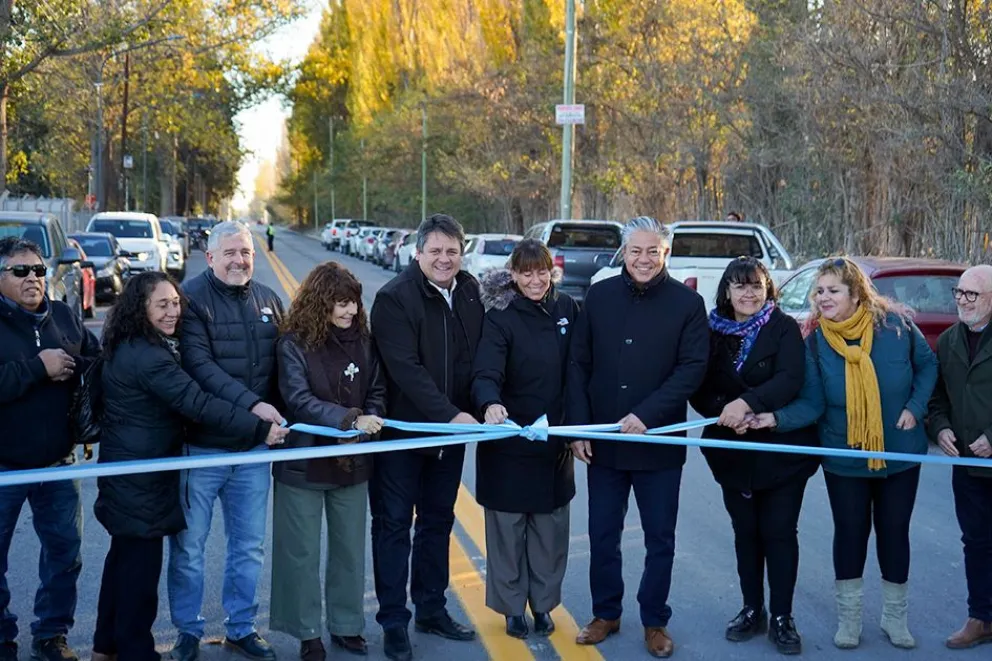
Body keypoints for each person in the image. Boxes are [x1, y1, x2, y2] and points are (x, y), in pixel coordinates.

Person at [93, 272, 288, 661]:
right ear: (140, 309)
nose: (172, 312)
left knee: (122, 561)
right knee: (138, 574)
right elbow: (195, 401)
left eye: (176, 303)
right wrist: (257, 427)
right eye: (161, 305)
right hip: (139, 476)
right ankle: (136, 651)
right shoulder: (147, 356)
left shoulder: (137, 343)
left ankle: (105, 647)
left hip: (131, 471)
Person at [751, 256, 937, 650]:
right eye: (819, 291)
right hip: (844, 456)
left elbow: (928, 367)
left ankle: (894, 618)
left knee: (893, 532)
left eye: (833, 290)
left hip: (899, 454)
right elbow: (813, 402)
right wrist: (773, 419)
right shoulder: (816, 342)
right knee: (851, 533)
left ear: (856, 294)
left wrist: (915, 408)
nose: (823, 297)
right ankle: (849, 621)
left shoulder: (896, 328)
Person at [567, 216, 709, 658]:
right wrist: (579, 428)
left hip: (659, 442)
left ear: (666, 253)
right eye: (635, 251)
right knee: (603, 535)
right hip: (604, 441)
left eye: (653, 251)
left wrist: (648, 414)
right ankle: (606, 613)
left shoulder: (687, 304)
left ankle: (654, 621)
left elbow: (691, 369)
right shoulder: (600, 295)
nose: (643, 259)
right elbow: (579, 363)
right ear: (623, 253)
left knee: (658, 538)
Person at [168, 221, 287, 661]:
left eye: (247, 253)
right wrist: (256, 409)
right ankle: (187, 630)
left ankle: (241, 627)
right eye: (231, 252)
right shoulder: (191, 300)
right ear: (211, 256)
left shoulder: (270, 301)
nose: (240, 260)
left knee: (248, 546)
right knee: (190, 548)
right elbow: (199, 366)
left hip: (254, 453)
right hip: (201, 448)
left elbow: (285, 371)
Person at [689, 257, 819, 655]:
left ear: (768, 289)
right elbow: (696, 384)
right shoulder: (710, 331)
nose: (749, 293)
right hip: (731, 450)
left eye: (756, 286)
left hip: (781, 453)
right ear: (726, 290)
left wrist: (748, 403)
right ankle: (752, 608)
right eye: (740, 286)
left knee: (779, 533)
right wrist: (723, 413)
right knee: (745, 533)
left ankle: (783, 616)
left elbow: (790, 378)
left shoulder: (783, 328)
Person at [369, 214, 484, 661]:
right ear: (418, 253)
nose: (443, 259)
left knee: (437, 523)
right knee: (394, 527)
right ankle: (394, 621)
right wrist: (451, 415)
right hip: (403, 434)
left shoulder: (471, 292)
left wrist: (482, 405)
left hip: (449, 435)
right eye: (434, 251)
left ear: (462, 252)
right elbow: (406, 372)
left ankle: (431, 607)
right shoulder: (394, 298)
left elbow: (479, 358)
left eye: (451, 251)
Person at [272, 262, 386, 661]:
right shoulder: (293, 343)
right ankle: (306, 633)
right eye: (340, 303)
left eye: (353, 303)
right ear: (320, 304)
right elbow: (298, 401)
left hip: (352, 461)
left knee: (349, 549)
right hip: (303, 463)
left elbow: (377, 388)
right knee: (300, 552)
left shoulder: (365, 341)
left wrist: (371, 416)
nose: (350, 312)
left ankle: (347, 626)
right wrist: (350, 419)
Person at [471, 240, 579, 640]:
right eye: (526, 273)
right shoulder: (500, 314)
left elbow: (578, 370)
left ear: (552, 271)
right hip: (509, 441)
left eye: (542, 271)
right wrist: (490, 404)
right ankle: (512, 608)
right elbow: (486, 370)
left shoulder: (567, 308)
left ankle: (544, 604)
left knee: (550, 533)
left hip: (554, 439)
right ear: (513, 275)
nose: (535, 280)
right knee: (508, 532)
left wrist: (576, 424)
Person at [0, 237, 100, 661]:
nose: (33, 279)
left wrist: (91, 418)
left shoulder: (64, 316)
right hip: (4, 467)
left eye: (38, 270)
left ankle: (52, 633)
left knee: (64, 555)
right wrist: (38, 368)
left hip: (59, 464)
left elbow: (98, 365)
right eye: (20, 271)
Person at [928, 264, 992, 649]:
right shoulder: (950, 340)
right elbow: (938, 399)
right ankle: (981, 618)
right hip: (967, 465)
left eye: (972, 294)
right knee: (977, 542)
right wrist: (940, 428)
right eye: (960, 293)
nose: (962, 301)